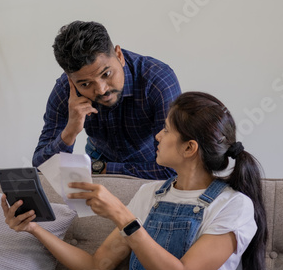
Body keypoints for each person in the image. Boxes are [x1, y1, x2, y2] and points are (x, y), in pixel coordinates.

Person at [3, 91, 269, 270]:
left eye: (165, 130)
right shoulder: (150, 194)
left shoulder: (234, 205)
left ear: (189, 148)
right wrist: (33, 228)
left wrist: (122, 215)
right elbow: (95, 268)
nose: (157, 136)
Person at [32, 20, 181, 180]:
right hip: (98, 163)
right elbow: (41, 167)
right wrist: (70, 132)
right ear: (71, 80)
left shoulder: (158, 81)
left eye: (106, 74)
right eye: (86, 84)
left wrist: (103, 169)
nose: (101, 90)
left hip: (149, 166)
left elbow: (173, 169)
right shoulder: (65, 90)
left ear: (119, 55)